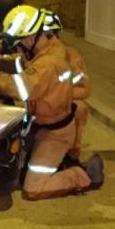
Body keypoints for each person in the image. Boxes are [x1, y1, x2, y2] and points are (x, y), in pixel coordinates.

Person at [0, 5, 103, 201]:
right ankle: (59, 162)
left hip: (54, 133)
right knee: (15, 171)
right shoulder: (47, 51)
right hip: (41, 125)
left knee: (33, 188)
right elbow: (21, 64)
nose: (17, 49)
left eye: (19, 43)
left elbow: (19, 88)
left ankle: (85, 174)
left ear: (31, 38)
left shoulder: (49, 64)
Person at [41, 9, 90, 163]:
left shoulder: (71, 55)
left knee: (80, 108)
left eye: (51, 34)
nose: (50, 39)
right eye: (45, 35)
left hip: (60, 105)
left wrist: (59, 95)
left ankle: (72, 152)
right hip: (39, 108)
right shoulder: (30, 56)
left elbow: (84, 89)